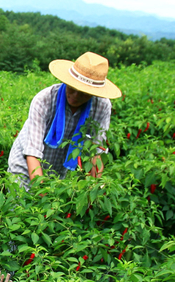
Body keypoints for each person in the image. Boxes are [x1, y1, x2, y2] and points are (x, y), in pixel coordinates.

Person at [7, 52, 122, 189]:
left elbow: (95, 150)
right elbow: (32, 153)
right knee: (21, 206)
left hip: (57, 172)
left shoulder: (101, 106)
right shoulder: (45, 100)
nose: (75, 96)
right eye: (72, 88)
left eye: (84, 93)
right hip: (25, 168)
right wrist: (41, 194)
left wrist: (93, 191)